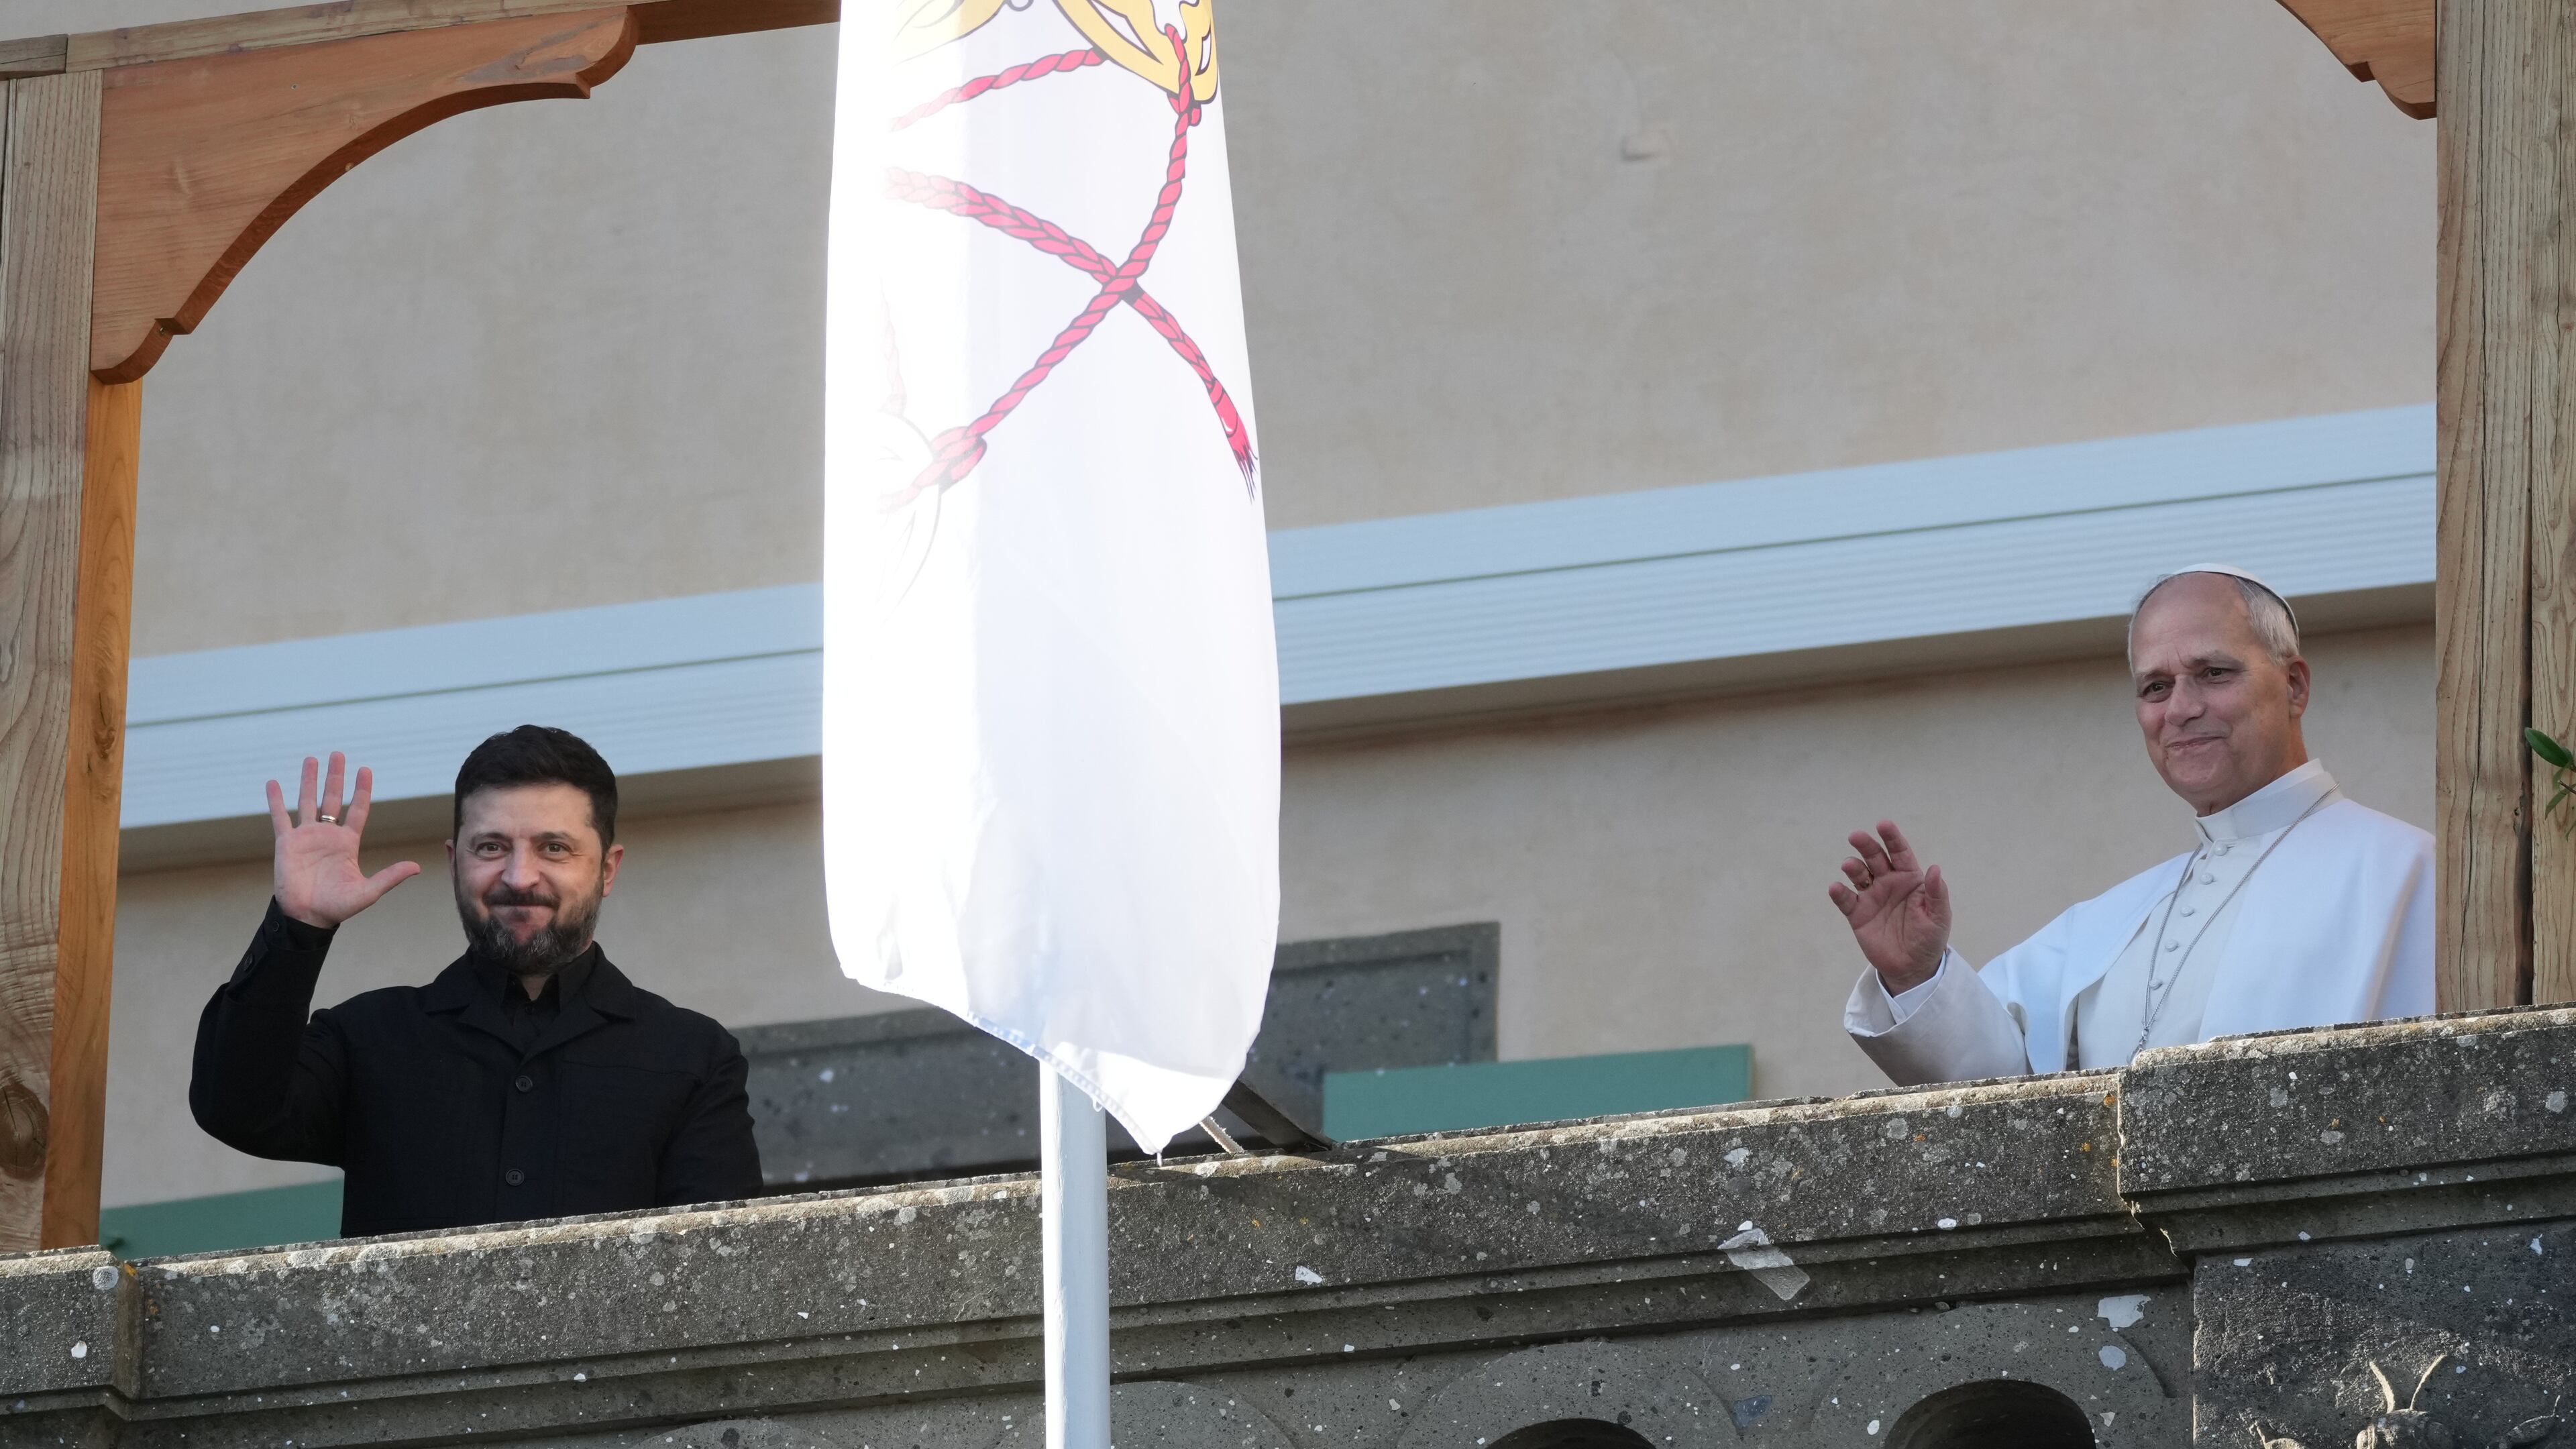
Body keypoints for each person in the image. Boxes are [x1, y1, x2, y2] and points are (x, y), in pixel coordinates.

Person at [1831, 564, 2434, 1085]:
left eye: (2214, 673)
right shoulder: (2109, 921)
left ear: (2294, 686)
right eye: (2156, 687)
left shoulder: (2410, 872)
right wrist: (1916, 974)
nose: (2181, 709)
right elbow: (2002, 1094)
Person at [191, 726, 763, 1238]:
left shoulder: (694, 1057)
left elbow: (720, 1266)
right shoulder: (367, 1038)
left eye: (554, 848)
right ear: (454, 863)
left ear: (607, 869)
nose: (518, 876)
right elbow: (235, 1110)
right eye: (491, 848)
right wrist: (299, 925)